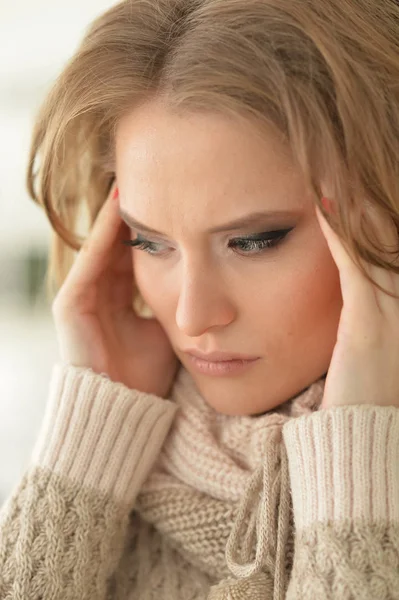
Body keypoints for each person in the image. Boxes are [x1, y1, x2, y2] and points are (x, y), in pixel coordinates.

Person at [1, 0, 399, 597]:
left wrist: (358, 457)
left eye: (254, 240)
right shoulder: (120, 457)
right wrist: (87, 448)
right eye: (149, 242)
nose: (191, 315)